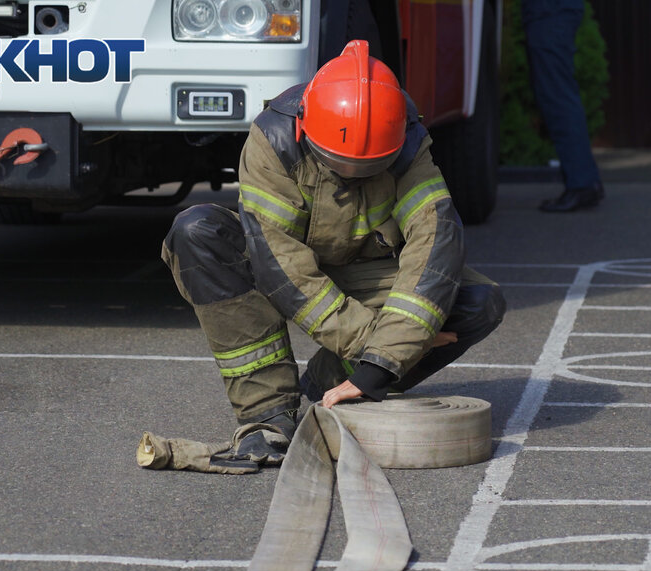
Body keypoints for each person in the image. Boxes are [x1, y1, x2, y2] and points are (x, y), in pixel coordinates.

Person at [161, 40, 506, 466]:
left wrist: (379, 364)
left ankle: (335, 383)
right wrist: (373, 343)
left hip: (365, 270)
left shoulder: (410, 144)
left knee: (475, 304)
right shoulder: (272, 141)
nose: (351, 175)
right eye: (336, 163)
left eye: (367, 168)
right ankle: (268, 416)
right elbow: (282, 268)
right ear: (305, 131)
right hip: (282, 271)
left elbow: (436, 244)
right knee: (197, 232)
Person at [523, 0, 604, 212]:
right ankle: (587, 181)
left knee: (558, 97)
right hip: (553, 10)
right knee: (559, 94)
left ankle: (582, 185)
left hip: (549, 11)